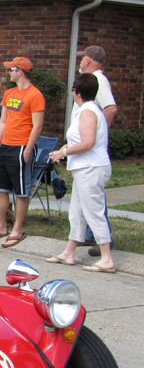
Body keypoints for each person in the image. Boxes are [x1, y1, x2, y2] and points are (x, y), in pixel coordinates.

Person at [46, 73, 115, 273]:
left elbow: (88, 143)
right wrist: (68, 147)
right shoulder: (88, 109)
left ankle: (106, 258)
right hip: (85, 168)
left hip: (91, 168)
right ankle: (69, 252)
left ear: (77, 92)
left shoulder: (88, 111)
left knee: (94, 211)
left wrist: (64, 151)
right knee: (77, 211)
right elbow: (83, 140)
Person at [0, 57, 45, 248]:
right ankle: (0, 226)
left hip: (22, 146)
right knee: (0, 188)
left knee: (21, 191)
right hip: (3, 147)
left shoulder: (35, 95)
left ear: (20, 72)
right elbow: (3, 122)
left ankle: (17, 228)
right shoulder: (9, 93)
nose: (8, 73)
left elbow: (37, 126)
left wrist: (28, 149)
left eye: (11, 69)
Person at [75, 45, 116, 257]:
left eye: (82, 58)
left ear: (88, 61)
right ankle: (91, 234)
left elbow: (110, 107)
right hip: (85, 152)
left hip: (91, 153)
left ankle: (104, 238)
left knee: (94, 196)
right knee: (87, 195)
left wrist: (99, 134)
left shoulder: (98, 80)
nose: (80, 61)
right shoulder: (92, 80)